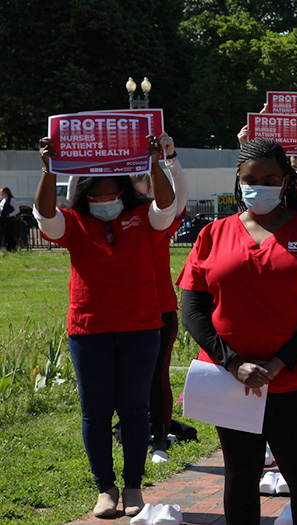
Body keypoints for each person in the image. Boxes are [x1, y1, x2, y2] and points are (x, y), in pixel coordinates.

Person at [179, 138, 297, 525]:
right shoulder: (213, 235)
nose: (259, 185)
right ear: (238, 180)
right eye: (250, 178)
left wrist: (279, 362)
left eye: (270, 177)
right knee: (241, 474)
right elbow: (192, 310)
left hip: (296, 379)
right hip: (231, 381)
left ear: (287, 180)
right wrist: (234, 364)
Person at [34, 135, 177, 519]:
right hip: (89, 331)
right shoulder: (74, 223)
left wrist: (154, 161)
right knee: (94, 413)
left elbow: (166, 206)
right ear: (83, 197)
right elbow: (45, 216)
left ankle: (133, 487)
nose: (104, 203)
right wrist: (49, 169)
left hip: (141, 329)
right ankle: (105, 489)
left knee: (134, 410)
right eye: (95, 198)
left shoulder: (143, 218)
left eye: (111, 195)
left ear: (125, 193)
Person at [134, 134, 190, 464]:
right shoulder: (110, 218)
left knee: (157, 375)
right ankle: (134, 430)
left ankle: (159, 436)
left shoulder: (158, 220)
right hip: (123, 313)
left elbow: (180, 196)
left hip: (160, 310)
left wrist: (170, 157)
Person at [0, 187, 18, 252]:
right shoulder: (3, 200)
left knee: (10, 234)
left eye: (2, 192)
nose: (1, 194)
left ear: (6, 192)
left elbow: (17, 210)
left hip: (10, 220)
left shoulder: (12, 200)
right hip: (3, 219)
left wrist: (9, 215)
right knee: (5, 234)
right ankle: (7, 247)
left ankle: (12, 248)